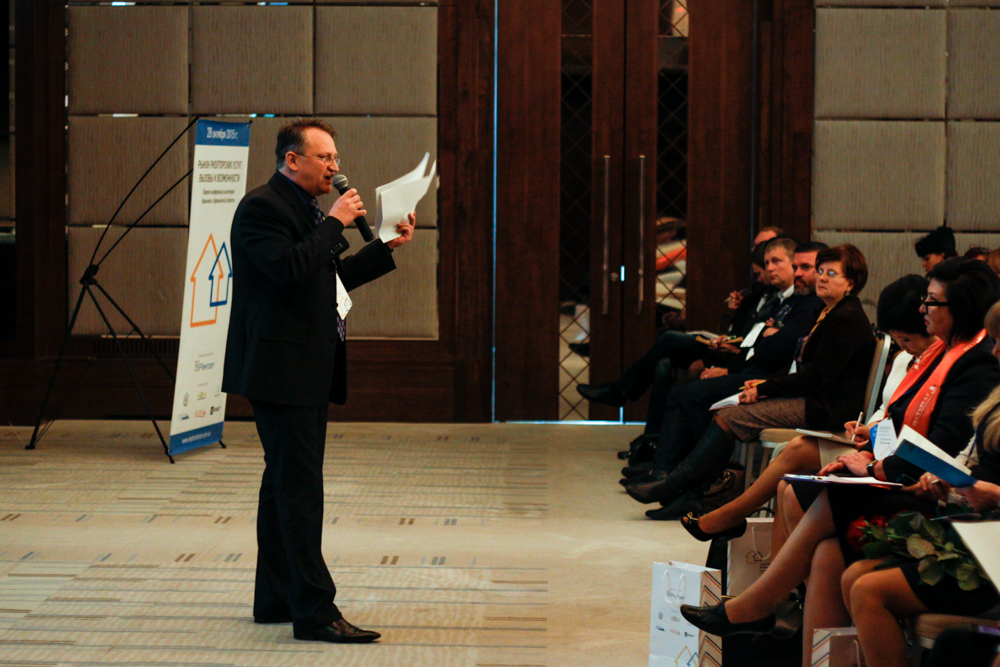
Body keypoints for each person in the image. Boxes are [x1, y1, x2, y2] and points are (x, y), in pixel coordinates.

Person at [679, 271, 1000, 666]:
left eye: (931, 301)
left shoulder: (975, 362)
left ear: (960, 309)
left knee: (827, 496)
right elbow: (920, 430)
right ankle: (782, 622)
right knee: (828, 549)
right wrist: (875, 446)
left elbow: (945, 444)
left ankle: (761, 601)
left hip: (962, 518)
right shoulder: (948, 355)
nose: (923, 309)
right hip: (934, 488)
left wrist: (878, 465)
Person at [222, 119, 416, 644]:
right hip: (279, 370)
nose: (335, 167)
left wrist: (384, 247)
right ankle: (314, 612)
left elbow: (326, 282)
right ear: (292, 160)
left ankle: (276, 598)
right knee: (300, 490)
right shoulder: (262, 208)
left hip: (305, 367)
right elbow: (287, 269)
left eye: (335, 158)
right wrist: (334, 222)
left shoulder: (305, 209)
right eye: (324, 157)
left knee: (282, 485)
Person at [681, 275, 936, 545]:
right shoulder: (903, 358)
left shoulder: (851, 321)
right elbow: (885, 408)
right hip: (873, 443)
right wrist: (869, 428)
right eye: (898, 340)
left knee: (794, 448)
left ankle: (725, 512)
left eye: (907, 339)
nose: (903, 347)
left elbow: (815, 378)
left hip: (887, 451)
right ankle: (722, 512)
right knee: (785, 470)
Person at [625, 245, 875, 512]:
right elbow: (797, 367)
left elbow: (815, 378)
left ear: (851, 282)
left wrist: (765, 387)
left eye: (831, 274)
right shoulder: (827, 312)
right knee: (727, 409)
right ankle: (688, 492)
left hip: (826, 408)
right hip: (812, 396)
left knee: (730, 416)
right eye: (821, 271)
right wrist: (761, 385)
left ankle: (678, 485)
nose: (822, 278)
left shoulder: (846, 319)